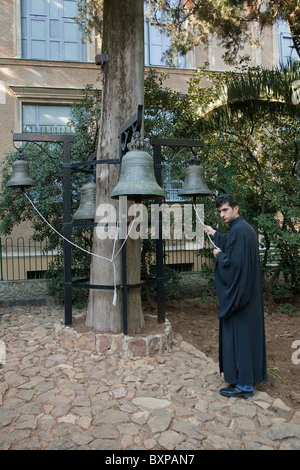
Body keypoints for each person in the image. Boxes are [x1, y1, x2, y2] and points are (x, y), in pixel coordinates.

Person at [204, 194, 267, 398]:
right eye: (219, 211)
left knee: (240, 338)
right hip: (249, 296)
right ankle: (247, 378)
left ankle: (244, 386)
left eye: (225, 210)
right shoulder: (243, 229)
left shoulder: (239, 231)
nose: (222, 214)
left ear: (236, 209)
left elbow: (234, 265)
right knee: (247, 339)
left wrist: (218, 255)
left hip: (241, 299)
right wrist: (214, 233)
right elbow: (232, 244)